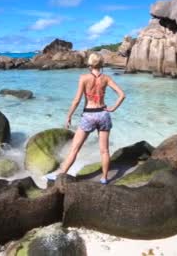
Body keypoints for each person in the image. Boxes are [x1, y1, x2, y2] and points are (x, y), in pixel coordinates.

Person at [46, 52, 126, 184]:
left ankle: (60, 175)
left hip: (89, 115)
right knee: (104, 150)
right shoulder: (106, 78)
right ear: (101, 64)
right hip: (103, 114)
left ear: (90, 64)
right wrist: (113, 108)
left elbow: (77, 100)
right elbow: (122, 95)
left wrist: (69, 116)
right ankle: (104, 178)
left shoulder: (84, 78)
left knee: (75, 148)